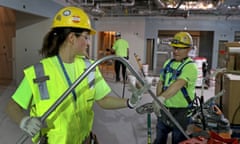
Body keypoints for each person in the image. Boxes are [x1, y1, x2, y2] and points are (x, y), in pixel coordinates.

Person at [6, 6, 144, 144]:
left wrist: (129, 102)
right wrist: (24, 121)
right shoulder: (38, 72)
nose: (89, 42)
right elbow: (12, 106)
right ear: (72, 38)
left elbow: (103, 100)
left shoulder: (89, 67)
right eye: (86, 37)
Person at [153, 32, 198, 144]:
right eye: (175, 48)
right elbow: (161, 82)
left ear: (188, 49)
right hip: (165, 109)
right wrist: (158, 100)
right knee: (159, 139)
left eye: (180, 48)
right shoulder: (168, 63)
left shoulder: (191, 67)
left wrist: (161, 98)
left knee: (178, 140)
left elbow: (178, 83)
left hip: (181, 112)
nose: (175, 51)